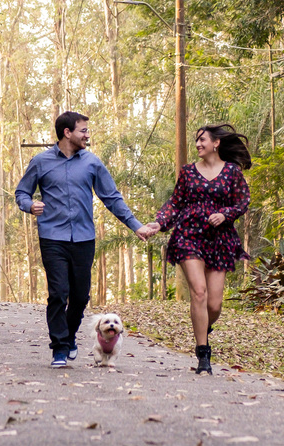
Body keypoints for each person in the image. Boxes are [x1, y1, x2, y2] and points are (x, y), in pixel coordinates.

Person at [16, 111, 158, 368]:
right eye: (83, 131)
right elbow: (21, 192)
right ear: (67, 132)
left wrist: (135, 225)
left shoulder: (92, 163)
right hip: (52, 237)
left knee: (80, 297)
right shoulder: (41, 161)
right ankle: (60, 348)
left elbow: (111, 197)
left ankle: (69, 336)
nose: (87, 135)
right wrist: (29, 205)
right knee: (58, 293)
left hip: (83, 238)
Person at [142, 123, 251, 375]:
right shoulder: (188, 172)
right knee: (199, 293)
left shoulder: (232, 172)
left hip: (220, 239)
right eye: (197, 141)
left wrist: (225, 214)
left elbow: (242, 201)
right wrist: (159, 222)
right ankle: (203, 353)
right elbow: (175, 203)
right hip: (188, 235)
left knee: (214, 304)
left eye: (203, 140)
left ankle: (203, 327)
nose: (198, 144)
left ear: (216, 143)